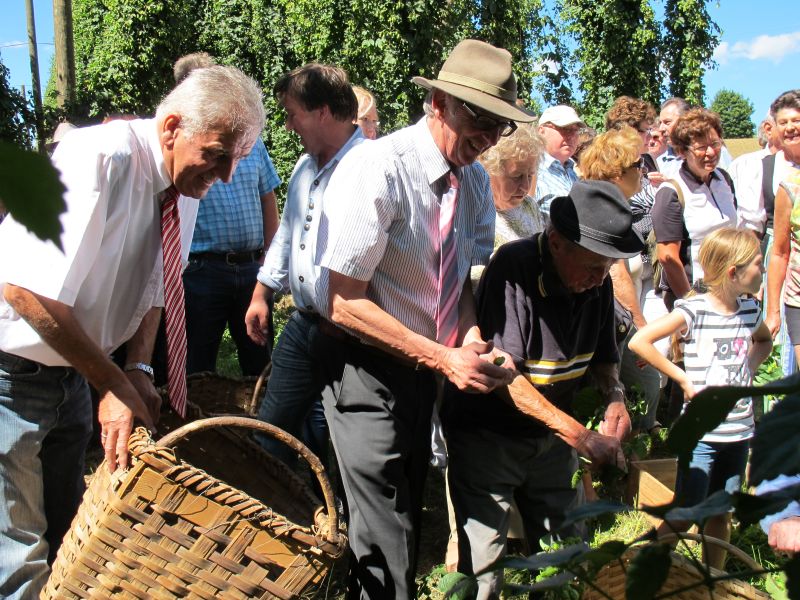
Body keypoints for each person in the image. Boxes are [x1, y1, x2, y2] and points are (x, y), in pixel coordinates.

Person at [0, 65, 264, 600]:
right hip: (10, 376)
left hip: (71, 373)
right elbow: (25, 290)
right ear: (172, 127)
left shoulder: (184, 183)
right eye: (218, 154)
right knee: (18, 554)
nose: (227, 175)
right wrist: (112, 383)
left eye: (237, 158)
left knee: (71, 532)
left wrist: (138, 366)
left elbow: (158, 283)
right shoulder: (99, 158)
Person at [315, 39, 529, 598]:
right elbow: (343, 301)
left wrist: (472, 338)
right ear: (438, 102)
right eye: (478, 119)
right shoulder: (380, 167)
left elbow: (458, 280)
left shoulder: (474, 180)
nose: (488, 137)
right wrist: (441, 356)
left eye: (500, 125)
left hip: (425, 371)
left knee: (407, 511)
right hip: (364, 366)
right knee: (385, 531)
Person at [445, 180, 639, 598]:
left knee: (567, 560)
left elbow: (605, 357)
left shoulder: (596, 280)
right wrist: (581, 436)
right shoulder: (514, 268)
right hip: (489, 439)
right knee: (483, 572)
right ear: (555, 243)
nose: (599, 279)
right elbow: (504, 377)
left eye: (606, 268)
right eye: (592, 267)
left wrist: (615, 396)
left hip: (550, 439)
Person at [630, 227, 771, 569]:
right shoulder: (694, 310)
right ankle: (642, 565)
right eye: (758, 263)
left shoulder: (750, 311)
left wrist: (749, 368)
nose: (763, 269)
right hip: (703, 437)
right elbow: (639, 341)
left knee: (722, 512)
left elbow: (764, 341)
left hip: (738, 434)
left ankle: (713, 579)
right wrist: (682, 378)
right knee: (686, 511)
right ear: (733, 273)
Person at [245, 64, 364, 468]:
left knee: (343, 444)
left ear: (323, 112)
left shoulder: (370, 167)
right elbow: (288, 232)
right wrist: (262, 292)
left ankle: (327, 505)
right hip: (304, 326)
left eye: (292, 114)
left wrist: (346, 318)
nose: (288, 124)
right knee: (272, 432)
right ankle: (272, 501)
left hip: (353, 338)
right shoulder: (305, 165)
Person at [173, 53, 282, 376]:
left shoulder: (250, 141)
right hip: (202, 271)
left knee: (261, 366)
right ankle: (196, 410)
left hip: (251, 268)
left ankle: (260, 411)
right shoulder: (183, 146)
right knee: (196, 367)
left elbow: (268, 197)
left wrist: (270, 259)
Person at [579, 126, 662, 432]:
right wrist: (643, 330)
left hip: (617, 321)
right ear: (616, 173)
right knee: (645, 383)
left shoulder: (620, 206)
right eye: (638, 164)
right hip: (611, 321)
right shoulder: (606, 211)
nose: (644, 170)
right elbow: (617, 276)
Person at [651, 108, 739, 312]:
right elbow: (668, 257)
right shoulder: (671, 192)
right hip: (695, 294)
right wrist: (691, 303)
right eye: (701, 148)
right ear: (682, 152)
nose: (711, 153)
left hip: (730, 290)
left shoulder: (724, 180)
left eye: (715, 144)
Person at [478, 122, 546, 249]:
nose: (525, 187)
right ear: (490, 169)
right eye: (517, 176)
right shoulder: (475, 214)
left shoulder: (529, 206)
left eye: (530, 175)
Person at [533, 104, 582, 217]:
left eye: (575, 130)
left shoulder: (572, 172)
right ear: (541, 131)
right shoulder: (531, 170)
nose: (571, 136)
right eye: (565, 129)